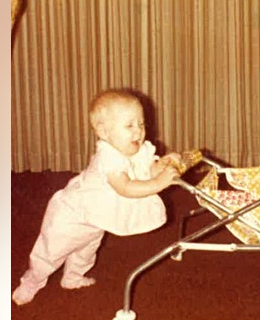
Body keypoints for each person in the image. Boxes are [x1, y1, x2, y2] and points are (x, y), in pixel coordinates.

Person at [12, 89, 181, 305]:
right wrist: (158, 184)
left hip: (96, 216)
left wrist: (164, 164)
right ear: (104, 131)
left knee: (87, 249)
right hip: (72, 213)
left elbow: (148, 170)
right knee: (52, 251)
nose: (138, 131)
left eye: (141, 124)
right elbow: (125, 187)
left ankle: (72, 277)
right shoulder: (108, 157)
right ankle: (31, 281)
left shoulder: (138, 150)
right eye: (129, 126)